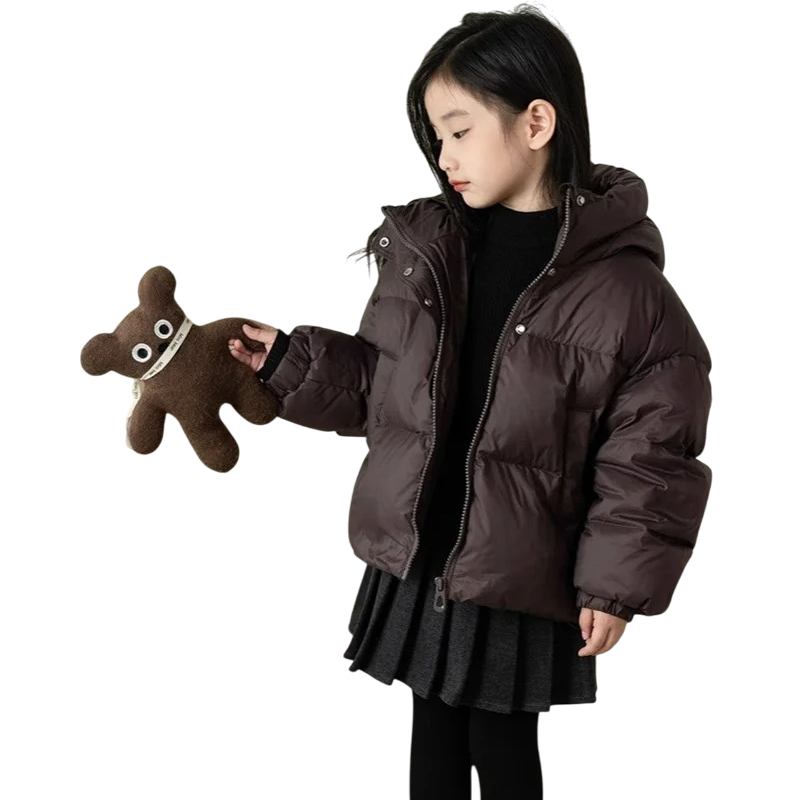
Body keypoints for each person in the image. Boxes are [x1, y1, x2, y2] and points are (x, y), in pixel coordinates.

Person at [228, 5, 713, 798]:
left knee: (501, 741)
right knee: (433, 733)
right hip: (426, 544)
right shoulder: (433, 251)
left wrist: (613, 584)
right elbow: (384, 390)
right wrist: (289, 363)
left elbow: (650, 455)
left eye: (458, 130)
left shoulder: (628, 294)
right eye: (435, 138)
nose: (443, 156)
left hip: (518, 561)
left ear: (536, 123)